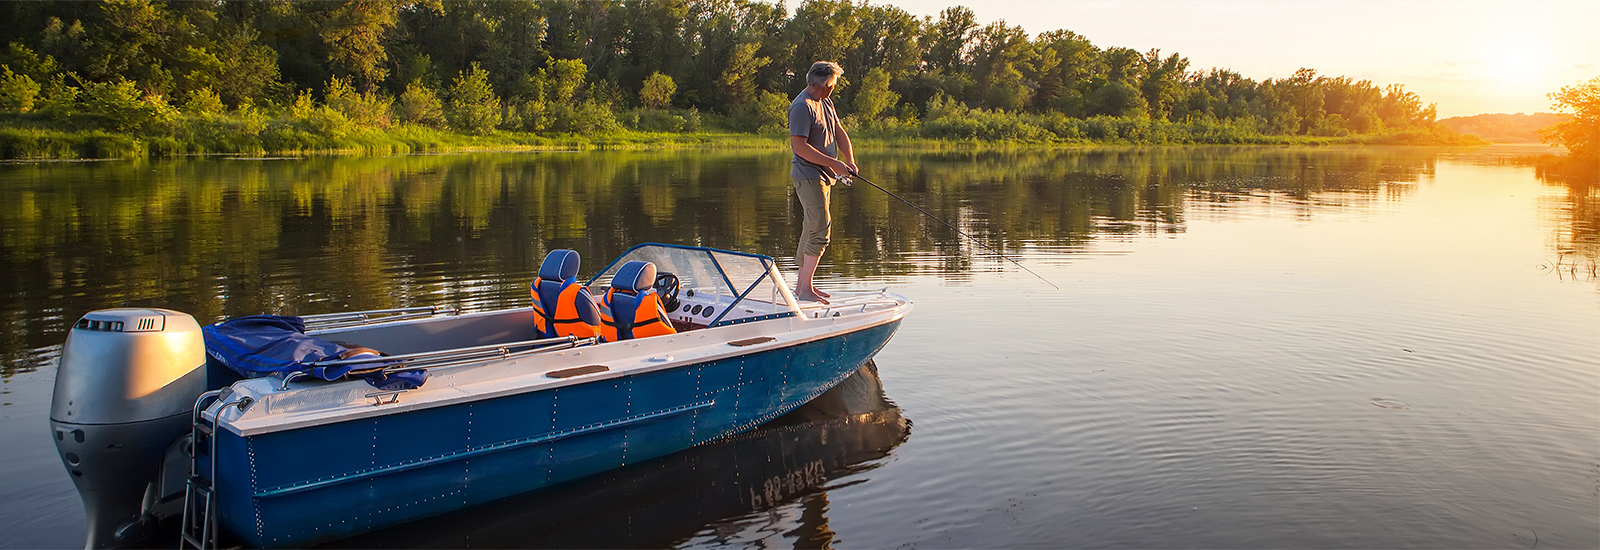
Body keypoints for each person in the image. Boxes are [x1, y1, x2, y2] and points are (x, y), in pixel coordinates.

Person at [788, 60, 856, 304]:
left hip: (825, 176)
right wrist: (834, 163)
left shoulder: (826, 101)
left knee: (811, 226)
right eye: (833, 84)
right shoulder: (802, 107)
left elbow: (838, 130)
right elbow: (799, 147)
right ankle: (804, 289)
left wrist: (848, 159)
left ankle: (803, 287)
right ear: (823, 83)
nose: (834, 88)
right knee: (820, 228)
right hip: (808, 175)